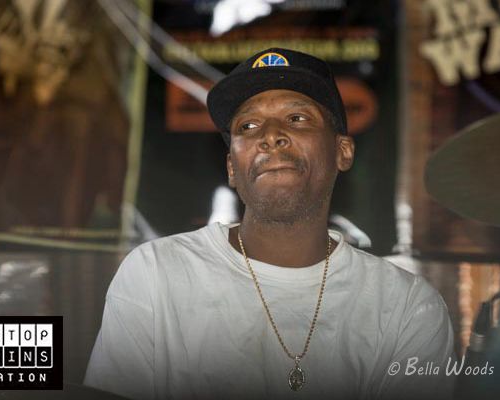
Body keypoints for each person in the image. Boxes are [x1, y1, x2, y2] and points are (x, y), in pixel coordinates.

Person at [84, 48, 455, 400]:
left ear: (342, 151)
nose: (270, 136)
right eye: (248, 125)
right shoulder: (155, 274)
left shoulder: (406, 306)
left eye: (297, 119)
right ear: (232, 167)